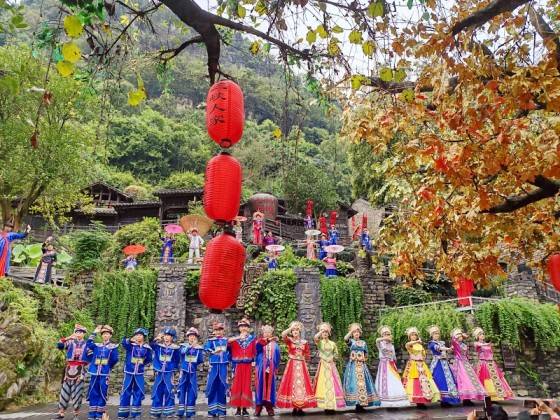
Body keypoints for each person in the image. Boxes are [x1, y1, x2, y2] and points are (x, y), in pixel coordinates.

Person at [277, 321, 317, 415]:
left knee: (302, 385)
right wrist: (291, 328)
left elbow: (307, 353)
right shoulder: (289, 340)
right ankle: (294, 407)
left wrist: (307, 358)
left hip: (301, 365)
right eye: (294, 330)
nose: (295, 331)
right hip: (292, 365)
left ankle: (301, 407)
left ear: (299, 332)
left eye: (297, 330)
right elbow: (283, 335)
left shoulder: (304, 342)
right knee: (292, 384)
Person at [52, 324, 89, 420]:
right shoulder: (70, 342)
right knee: (64, 391)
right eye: (77, 332)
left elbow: (91, 356)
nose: (78, 334)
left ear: (84, 334)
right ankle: (61, 413)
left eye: (80, 332)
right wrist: (68, 337)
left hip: (80, 370)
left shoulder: (87, 344)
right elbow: (59, 345)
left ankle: (76, 415)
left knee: (77, 392)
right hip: (68, 369)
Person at [83, 325, 119, 420]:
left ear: (110, 335)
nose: (105, 335)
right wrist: (94, 332)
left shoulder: (113, 347)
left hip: (104, 373)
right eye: (104, 334)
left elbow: (115, 359)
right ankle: (92, 414)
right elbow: (88, 343)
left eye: (107, 334)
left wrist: (107, 367)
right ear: (102, 335)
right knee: (93, 392)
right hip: (95, 372)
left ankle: (99, 414)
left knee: (102, 392)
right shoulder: (96, 346)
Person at [343, 323, 380, 411]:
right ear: (352, 334)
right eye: (354, 332)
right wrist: (351, 331)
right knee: (354, 383)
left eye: (358, 332)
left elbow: (366, 353)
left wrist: (364, 359)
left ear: (360, 334)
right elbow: (345, 339)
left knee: (363, 383)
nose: (356, 334)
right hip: (353, 366)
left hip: (361, 365)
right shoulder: (351, 341)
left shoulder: (363, 343)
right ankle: (356, 403)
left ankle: (362, 403)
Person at [118, 328, 153, 420]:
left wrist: (141, 363)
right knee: (126, 391)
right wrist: (130, 340)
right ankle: (123, 414)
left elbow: (149, 359)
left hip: (139, 373)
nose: (138, 336)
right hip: (129, 372)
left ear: (143, 337)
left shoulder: (147, 348)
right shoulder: (130, 345)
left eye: (140, 335)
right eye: (137, 335)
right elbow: (123, 343)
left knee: (138, 392)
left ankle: (135, 414)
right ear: (134, 336)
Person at [401, 327, 440, 408]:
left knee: (425, 382)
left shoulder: (419, 345)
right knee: (416, 382)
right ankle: (418, 402)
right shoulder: (410, 344)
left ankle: (424, 399)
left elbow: (423, 355)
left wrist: (422, 359)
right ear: (409, 337)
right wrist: (417, 341)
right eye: (412, 335)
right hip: (414, 365)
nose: (414, 336)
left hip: (422, 365)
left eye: (415, 335)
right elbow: (407, 345)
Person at [472, 327, 514, 401]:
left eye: (483, 334)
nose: (482, 335)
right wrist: (486, 344)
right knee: (487, 378)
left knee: (495, 378)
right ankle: (490, 395)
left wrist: (487, 344)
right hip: (483, 363)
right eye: (480, 334)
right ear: (477, 336)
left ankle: (497, 395)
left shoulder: (487, 344)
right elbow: (478, 345)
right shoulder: (477, 343)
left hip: (491, 363)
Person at [313, 322, 345, 413]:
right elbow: (315, 337)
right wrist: (322, 329)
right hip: (323, 365)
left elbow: (336, 354)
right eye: (323, 332)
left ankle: (332, 405)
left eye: (326, 332)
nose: (325, 334)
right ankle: (325, 405)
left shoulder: (332, 344)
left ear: (329, 333)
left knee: (333, 384)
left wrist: (333, 357)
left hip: (331, 365)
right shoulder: (319, 343)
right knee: (323, 384)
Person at [375, 325, 410, 408]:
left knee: (394, 380)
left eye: (388, 334)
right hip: (384, 364)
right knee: (385, 381)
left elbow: (393, 356)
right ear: (382, 335)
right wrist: (384, 338)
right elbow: (377, 340)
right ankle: (385, 399)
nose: (387, 335)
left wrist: (394, 364)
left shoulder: (391, 345)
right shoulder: (380, 343)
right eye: (385, 334)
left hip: (391, 364)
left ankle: (396, 398)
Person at [450, 328, 486, 405]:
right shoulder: (456, 344)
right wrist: (457, 335)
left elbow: (466, 354)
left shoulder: (464, 345)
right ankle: (465, 399)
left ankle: (468, 398)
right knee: (463, 380)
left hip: (466, 363)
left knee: (470, 380)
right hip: (459, 363)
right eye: (458, 336)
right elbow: (453, 341)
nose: (460, 337)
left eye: (461, 335)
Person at [228, 318, 257, 416]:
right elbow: (226, 343)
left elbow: (254, 352)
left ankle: (244, 408)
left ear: (248, 328)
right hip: (237, 365)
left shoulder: (252, 339)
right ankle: (237, 408)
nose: (243, 328)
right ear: (239, 328)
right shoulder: (234, 339)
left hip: (248, 365)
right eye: (241, 326)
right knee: (236, 386)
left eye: (245, 326)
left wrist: (254, 363)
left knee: (246, 386)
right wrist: (238, 338)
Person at [150, 328, 181, 418]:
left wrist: (173, 368)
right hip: (159, 372)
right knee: (157, 391)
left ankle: (169, 412)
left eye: (169, 336)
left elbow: (177, 359)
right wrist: (157, 338)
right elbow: (151, 345)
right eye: (166, 335)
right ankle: (156, 412)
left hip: (169, 373)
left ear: (172, 338)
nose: (167, 337)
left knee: (169, 391)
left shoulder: (175, 348)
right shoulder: (159, 346)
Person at [427, 325, 460, 407]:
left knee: (448, 380)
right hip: (437, 364)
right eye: (434, 333)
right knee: (440, 380)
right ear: (431, 335)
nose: (436, 335)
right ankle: (442, 400)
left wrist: (450, 348)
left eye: (437, 333)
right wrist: (448, 349)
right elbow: (438, 348)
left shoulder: (442, 342)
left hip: (445, 363)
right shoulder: (431, 344)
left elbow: (444, 349)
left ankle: (447, 400)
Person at [177, 327, 204, 418]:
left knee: (192, 390)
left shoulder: (199, 348)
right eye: (190, 336)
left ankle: (190, 411)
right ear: (187, 337)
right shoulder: (183, 346)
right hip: (184, 371)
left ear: (196, 338)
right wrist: (190, 346)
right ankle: (180, 410)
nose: (192, 338)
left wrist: (194, 364)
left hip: (192, 372)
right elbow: (182, 353)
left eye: (194, 336)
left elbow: (200, 359)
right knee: (182, 389)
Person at [254, 325, 281, 417]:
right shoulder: (259, 342)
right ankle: (258, 406)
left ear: (271, 333)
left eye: (269, 332)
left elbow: (277, 356)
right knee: (260, 386)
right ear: (263, 333)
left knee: (270, 387)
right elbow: (256, 350)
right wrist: (265, 341)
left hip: (271, 368)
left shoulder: (275, 345)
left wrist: (276, 367)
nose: (267, 334)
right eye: (265, 332)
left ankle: (269, 407)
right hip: (261, 368)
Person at [205, 322, 230, 418]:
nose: (218, 332)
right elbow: (206, 348)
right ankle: (212, 411)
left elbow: (230, 351)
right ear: (214, 331)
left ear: (223, 331)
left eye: (220, 330)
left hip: (223, 365)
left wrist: (227, 357)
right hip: (214, 366)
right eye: (216, 330)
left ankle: (222, 411)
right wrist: (213, 351)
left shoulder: (226, 341)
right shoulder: (211, 341)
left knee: (222, 387)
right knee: (212, 387)